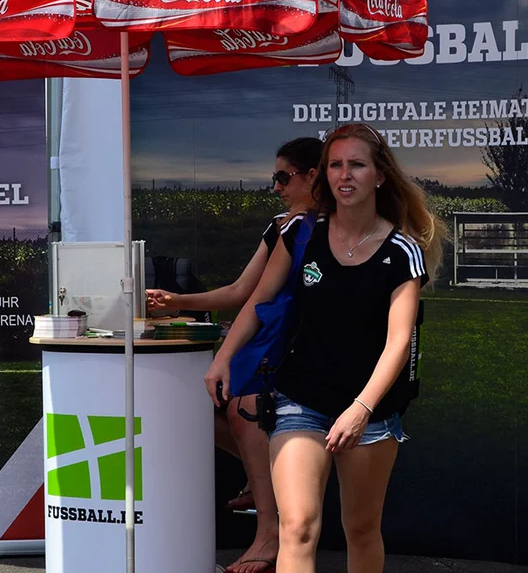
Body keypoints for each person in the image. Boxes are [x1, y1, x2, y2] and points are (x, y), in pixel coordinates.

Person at [204, 123, 444, 573]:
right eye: (335, 165)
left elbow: (398, 342)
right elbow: (258, 301)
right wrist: (223, 358)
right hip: (301, 400)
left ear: (379, 175)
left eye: (356, 164)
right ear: (324, 175)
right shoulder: (300, 232)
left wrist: (361, 408)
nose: (344, 175)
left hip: (370, 411)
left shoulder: (402, 251)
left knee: (360, 529)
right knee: (297, 528)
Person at [147, 136, 324, 573]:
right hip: (269, 338)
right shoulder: (283, 227)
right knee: (203, 403)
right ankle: (261, 479)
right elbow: (244, 292)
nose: (277, 187)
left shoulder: (334, 228)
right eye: (274, 178)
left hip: (298, 345)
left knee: (245, 406)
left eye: (284, 177)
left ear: (311, 176)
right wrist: (176, 302)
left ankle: (267, 531)